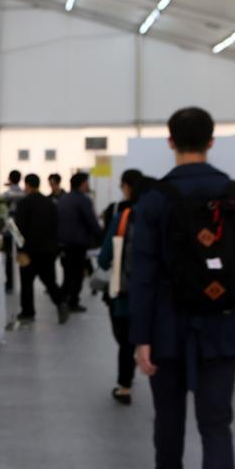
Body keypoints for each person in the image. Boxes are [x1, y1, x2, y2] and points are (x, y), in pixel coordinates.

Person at [129, 107, 235, 469]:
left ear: (170, 141)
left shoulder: (154, 199)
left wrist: (140, 337)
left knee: (169, 417)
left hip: (167, 326)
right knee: (217, 425)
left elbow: (141, 273)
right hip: (226, 325)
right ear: (211, 141)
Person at [97, 169, 143, 405]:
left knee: (124, 340)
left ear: (126, 187)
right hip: (151, 293)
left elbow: (104, 258)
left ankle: (124, 386)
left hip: (123, 290)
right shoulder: (157, 218)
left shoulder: (121, 216)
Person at [14, 174, 69, 324]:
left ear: (27, 185)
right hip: (47, 250)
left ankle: (28, 311)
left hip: (28, 250)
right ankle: (61, 302)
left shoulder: (23, 204)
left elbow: (19, 228)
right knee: (49, 281)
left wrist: (20, 249)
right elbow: (56, 226)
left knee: (26, 282)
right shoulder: (50, 203)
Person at [57, 172, 102, 311]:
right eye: (86, 182)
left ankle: (62, 299)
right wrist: (102, 237)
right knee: (76, 274)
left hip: (64, 243)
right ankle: (72, 302)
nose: (88, 185)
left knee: (68, 273)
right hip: (78, 243)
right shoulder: (83, 200)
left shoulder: (63, 199)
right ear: (82, 184)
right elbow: (91, 221)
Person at [2, 170, 26, 293]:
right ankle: (24, 282)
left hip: (9, 228)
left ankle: (9, 284)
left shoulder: (6, 195)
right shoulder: (24, 194)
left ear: (10, 179)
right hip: (22, 229)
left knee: (9, 257)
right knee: (22, 254)